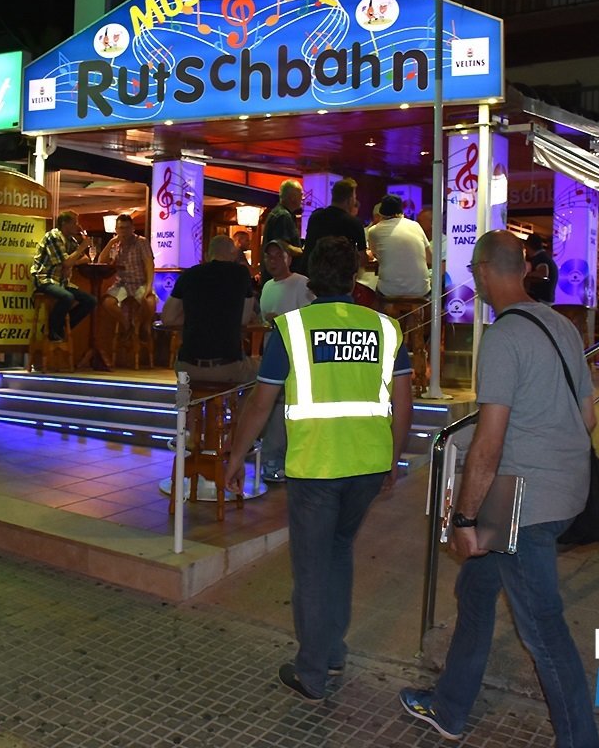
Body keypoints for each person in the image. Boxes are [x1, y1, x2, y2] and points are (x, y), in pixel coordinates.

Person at [399, 230, 599, 747]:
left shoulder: (504, 337)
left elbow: (489, 443)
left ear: (485, 272)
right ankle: (449, 706)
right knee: (476, 589)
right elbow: (589, 418)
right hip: (564, 489)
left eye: (473, 273)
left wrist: (464, 518)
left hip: (525, 504)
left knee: (543, 629)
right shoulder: (562, 325)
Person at [222, 235, 413, 702]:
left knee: (311, 567)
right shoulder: (386, 328)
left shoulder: (290, 329)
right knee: (339, 551)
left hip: (316, 465)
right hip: (367, 465)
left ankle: (312, 671)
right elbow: (404, 403)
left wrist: (236, 456)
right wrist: (393, 459)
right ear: (354, 277)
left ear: (311, 282)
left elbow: (261, 403)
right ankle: (332, 651)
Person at [255, 239, 314, 483]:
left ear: (288, 259)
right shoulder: (268, 286)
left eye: (278, 256)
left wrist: (282, 319)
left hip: (293, 353)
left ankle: (279, 458)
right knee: (272, 407)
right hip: (271, 350)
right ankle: (271, 458)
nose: (273, 261)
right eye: (269, 257)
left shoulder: (301, 283)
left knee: (283, 407)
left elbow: (310, 317)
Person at [161, 235, 256, 385]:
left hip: (187, 367)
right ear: (233, 255)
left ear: (206, 255)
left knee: (185, 387)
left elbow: (168, 318)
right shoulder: (241, 274)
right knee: (261, 371)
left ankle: (185, 399)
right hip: (228, 366)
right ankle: (236, 401)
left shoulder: (189, 275)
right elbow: (243, 319)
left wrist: (196, 316)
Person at [32, 211, 96, 342]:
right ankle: (52, 330)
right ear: (64, 223)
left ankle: (59, 328)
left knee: (91, 301)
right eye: (74, 223)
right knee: (67, 297)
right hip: (45, 279)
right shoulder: (53, 236)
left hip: (61, 282)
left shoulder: (70, 240)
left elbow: (85, 258)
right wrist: (81, 248)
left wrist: (73, 263)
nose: (77, 226)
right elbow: (66, 262)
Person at [101, 214, 156, 363]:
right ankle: (127, 326)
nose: (123, 231)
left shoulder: (141, 242)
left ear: (132, 228)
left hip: (140, 282)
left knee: (150, 302)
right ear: (116, 229)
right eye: (120, 228)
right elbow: (101, 261)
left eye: (126, 228)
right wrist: (111, 242)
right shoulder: (116, 245)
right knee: (107, 302)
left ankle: (143, 325)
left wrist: (149, 287)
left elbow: (149, 265)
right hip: (123, 284)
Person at [367, 193, 431, 298]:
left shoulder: (373, 231)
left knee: (373, 292)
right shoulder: (415, 225)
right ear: (402, 211)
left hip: (389, 291)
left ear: (381, 213)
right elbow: (430, 259)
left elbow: (375, 255)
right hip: (421, 290)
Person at [301, 178, 366, 274]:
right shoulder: (354, 223)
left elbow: (308, 248)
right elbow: (362, 259)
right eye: (354, 197)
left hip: (311, 274)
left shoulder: (315, 217)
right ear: (349, 200)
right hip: (338, 278)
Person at [261, 179, 305, 276]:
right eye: (301, 194)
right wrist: (303, 251)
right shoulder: (283, 216)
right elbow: (282, 245)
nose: (303, 198)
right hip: (281, 277)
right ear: (292, 197)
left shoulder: (279, 213)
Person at [523, 233, 557, 304]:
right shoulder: (545, 257)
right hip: (546, 300)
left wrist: (524, 275)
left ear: (527, 246)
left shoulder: (541, 258)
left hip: (540, 300)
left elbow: (542, 274)